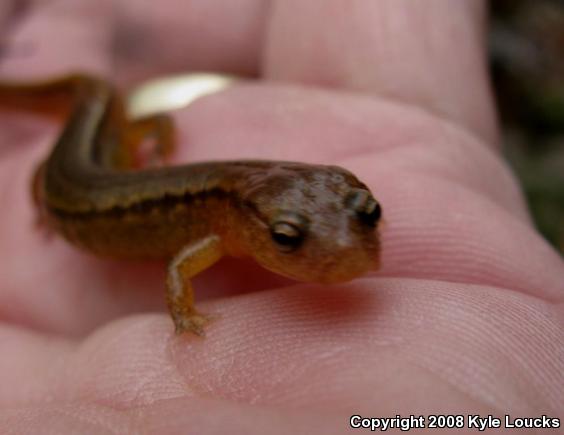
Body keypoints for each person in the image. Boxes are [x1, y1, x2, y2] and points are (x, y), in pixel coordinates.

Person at [0, 1, 562, 432]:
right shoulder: (217, 229)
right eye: (290, 237)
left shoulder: (241, 211)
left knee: (96, 110)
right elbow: (178, 272)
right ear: (238, 221)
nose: (347, 249)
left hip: (110, 157)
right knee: (54, 167)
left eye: (367, 215)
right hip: (77, 193)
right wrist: (185, 318)